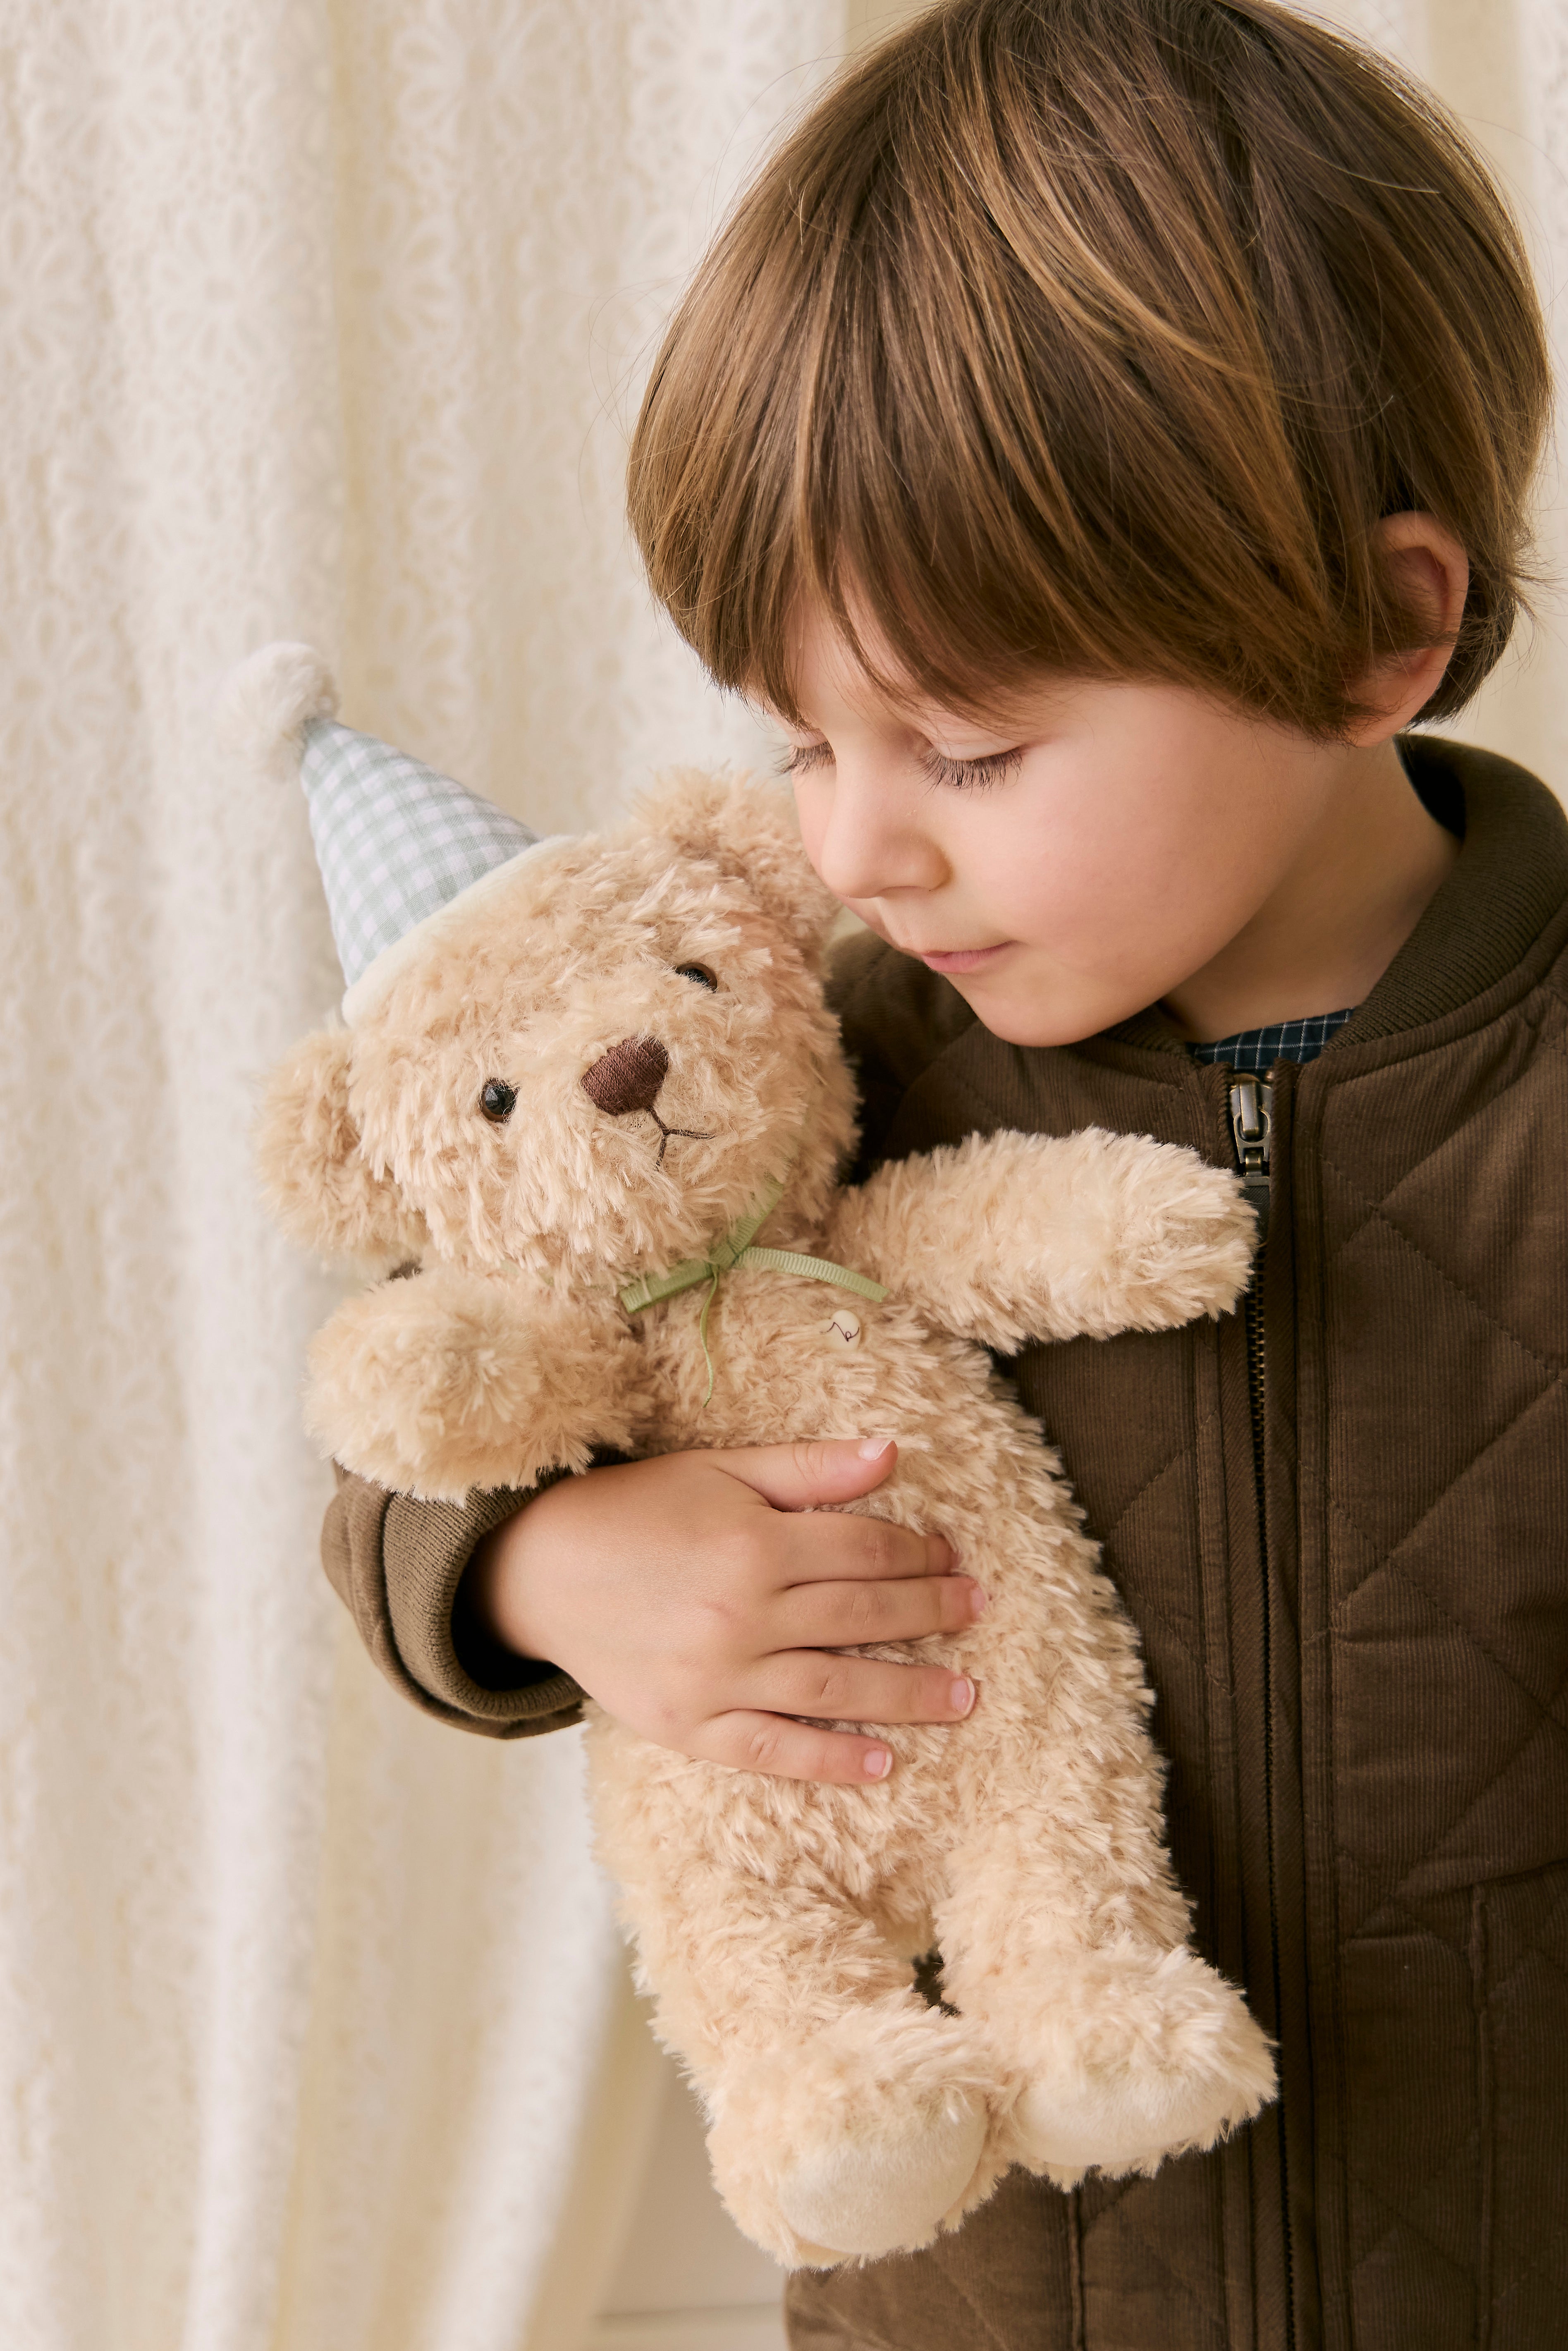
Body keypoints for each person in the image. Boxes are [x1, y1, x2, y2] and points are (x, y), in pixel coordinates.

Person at [320, 2, 1568, 2341]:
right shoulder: (799, 1066)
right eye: (804, 737)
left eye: (968, 745)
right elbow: (422, 1395)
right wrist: (549, 1563)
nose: (856, 842)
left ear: (1387, 626)